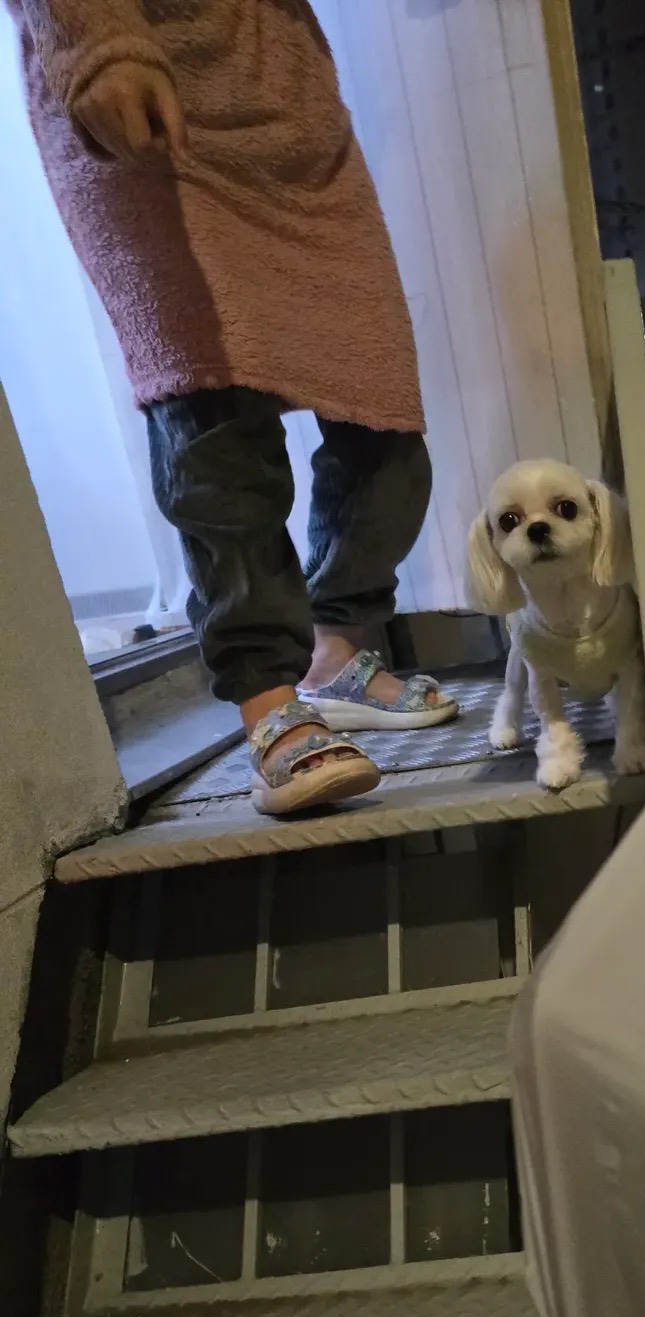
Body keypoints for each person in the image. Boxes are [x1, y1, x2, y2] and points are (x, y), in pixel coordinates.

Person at [11, 0, 458, 815]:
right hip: (144, 90)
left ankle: (336, 655)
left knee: (382, 412)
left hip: (286, 100)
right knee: (210, 410)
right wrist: (95, 41)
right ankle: (269, 708)